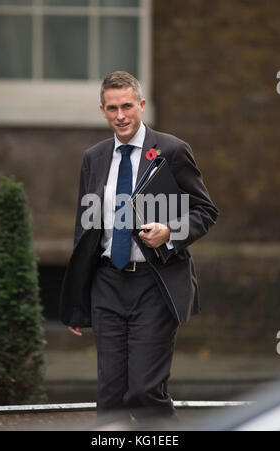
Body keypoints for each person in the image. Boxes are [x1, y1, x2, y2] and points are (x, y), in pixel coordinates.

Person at [59, 71, 218, 426]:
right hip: (106, 284)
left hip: (155, 284)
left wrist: (170, 231)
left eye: (127, 106)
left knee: (144, 390)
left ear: (141, 105)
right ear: (102, 110)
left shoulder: (172, 150)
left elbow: (205, 210)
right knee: (111, 396)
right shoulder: (94, 157)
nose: (120, 116)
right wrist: (77, 297)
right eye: (112, 108)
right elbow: (85, 227)